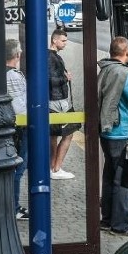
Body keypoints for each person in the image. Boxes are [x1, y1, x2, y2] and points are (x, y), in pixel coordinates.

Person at [98, 36, 128, 235]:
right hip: (122, 132)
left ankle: (106, 220)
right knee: (123, 180)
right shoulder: (124, 74)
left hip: (107, 132)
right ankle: (121, 225)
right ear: (127, 53)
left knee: (109, 177)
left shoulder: (104, 69)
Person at [5, 39, 29, 221]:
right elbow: (20, 105)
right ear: (16, 55)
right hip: (20, 126)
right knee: (18, 169)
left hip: (11, 126)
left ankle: (13, 205)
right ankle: (13, 207)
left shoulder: (1, 73)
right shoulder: (13, 76)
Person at [48, 29, 76, 179]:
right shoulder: (51, 58)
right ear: (54, 40)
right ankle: (56, 167)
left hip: (55, 100)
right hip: (58, 101)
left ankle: (53, 167)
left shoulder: (51, 56)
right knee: (68, 133)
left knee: (54, 135)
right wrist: (66, 78)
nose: (66, 43)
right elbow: (51, 81)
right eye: (63, 41)